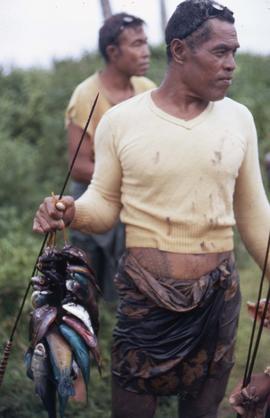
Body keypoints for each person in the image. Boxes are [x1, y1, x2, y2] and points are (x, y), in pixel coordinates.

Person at [33, 1, 270, 417]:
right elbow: (104, 204)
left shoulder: (239, 120)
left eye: (234, 51)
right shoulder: (122, 122)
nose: (231, 63)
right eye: (220, 51)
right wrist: (70, 210)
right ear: (179, 51)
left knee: (202, 409)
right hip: (145, 300)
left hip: (218, 298)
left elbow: (254, 215)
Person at [66, 12, 155, 301]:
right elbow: (79, 167)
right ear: (113, 52)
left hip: (132, 199)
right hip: (95, 195)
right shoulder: (87, 95)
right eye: (137, 44)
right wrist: (130, 177)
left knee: (126, 285)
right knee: (85, 284)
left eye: (146, 42)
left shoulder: (147, 90)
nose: (146, 51)